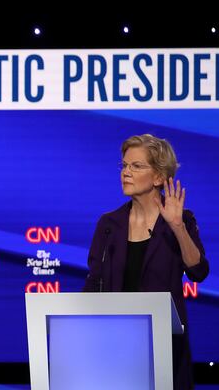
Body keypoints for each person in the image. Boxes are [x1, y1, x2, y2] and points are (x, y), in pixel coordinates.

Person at [83, 134, 209, 390]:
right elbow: (93, 283)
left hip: (165, 350)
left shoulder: (179, 221)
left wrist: (178, 227)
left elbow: (198, 271)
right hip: (115, 349)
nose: (126, 173)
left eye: (136, 166)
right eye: (124, 166)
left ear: (159, 177)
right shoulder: (109, 225)